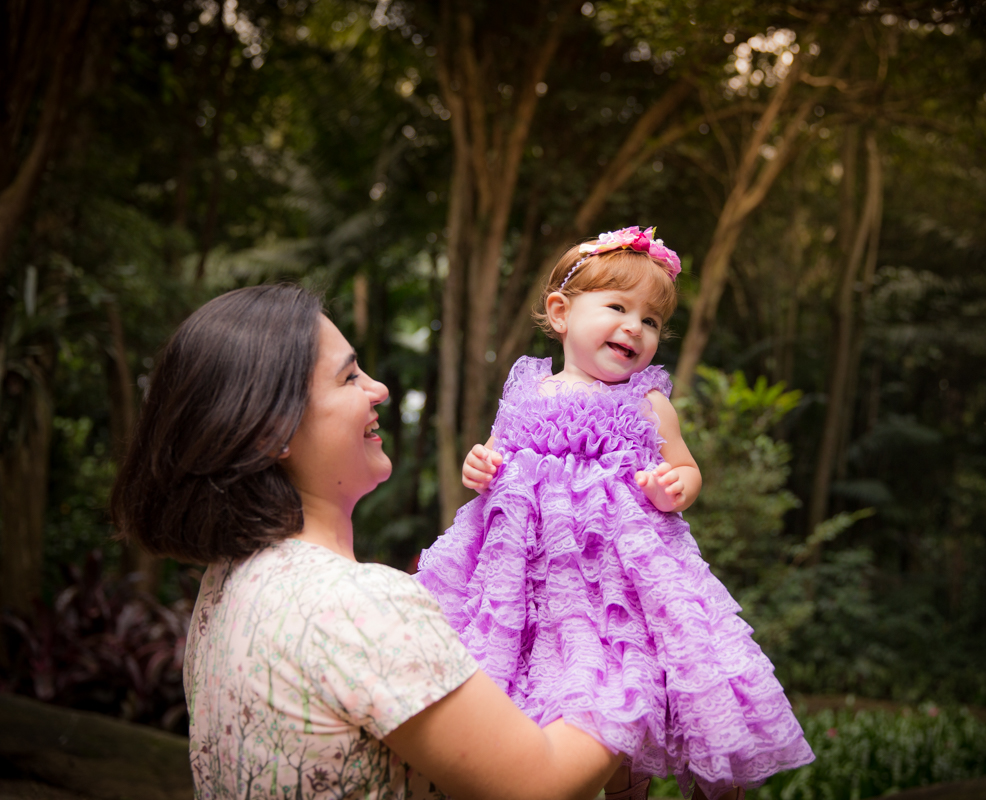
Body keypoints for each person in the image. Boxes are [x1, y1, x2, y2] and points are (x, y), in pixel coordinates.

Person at [109, 284, 622, 800]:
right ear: (272, 432)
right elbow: (541, 785)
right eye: (349, 376)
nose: (377, 388)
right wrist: (642, 652)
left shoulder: (227, 582)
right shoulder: (358, 604)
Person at [416, 226, 814, 800]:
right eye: (618, 307)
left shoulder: (647, 402)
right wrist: (478, 467)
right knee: (545, 702)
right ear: (560, 312)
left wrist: (673, 487)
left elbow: (687, 469)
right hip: (534, 583)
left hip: (621, 588)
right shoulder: (528, 389)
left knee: (630, 700)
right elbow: (494, 457)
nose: (636, 326)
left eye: (651, 320)